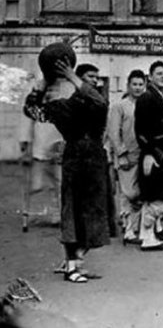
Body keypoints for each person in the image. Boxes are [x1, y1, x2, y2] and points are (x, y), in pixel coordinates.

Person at [23, 43, 110, 282]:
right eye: (90, 77)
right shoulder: (64, 106)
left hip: (95, 159)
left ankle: (76, 262)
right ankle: (72, 268)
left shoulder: (97, 103)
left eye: (96, 78)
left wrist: (72, 75)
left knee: (95, 213)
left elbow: (99, 102)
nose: (95, 81)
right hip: (75, 159)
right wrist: (43, 85)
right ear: (76, 79)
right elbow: (32, 111)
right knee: (73, 211)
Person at [135, 61, 163, 251]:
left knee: (154, 195)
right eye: (159, 73)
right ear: (150, 76)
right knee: (158, 196)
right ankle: (148, 237)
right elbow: (141, 130)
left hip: (162, 150)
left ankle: (147, 235)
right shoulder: (147, 97)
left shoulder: (158, 97)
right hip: (155, 153)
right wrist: (149, 154)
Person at [107, 70, 146, 244]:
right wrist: (121, 154)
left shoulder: (146, 105)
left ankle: (136, 229)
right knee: (129, 193)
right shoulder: (119, 106)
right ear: (128, 86)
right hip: (127, 156)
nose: (137, 88)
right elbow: (114, 133)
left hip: (143, 155)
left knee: (142, 194)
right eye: (134, 84)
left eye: (140, 84)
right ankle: (127, 227)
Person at [18, 97, 64, 226]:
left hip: (58, 147)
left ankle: (57, 214)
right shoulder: (36, 102)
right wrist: (25, 142)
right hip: (40, 150)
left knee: (59, 183)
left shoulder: (63, 100)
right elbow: (27, 122)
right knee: (37, 185)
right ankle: (34, 212)